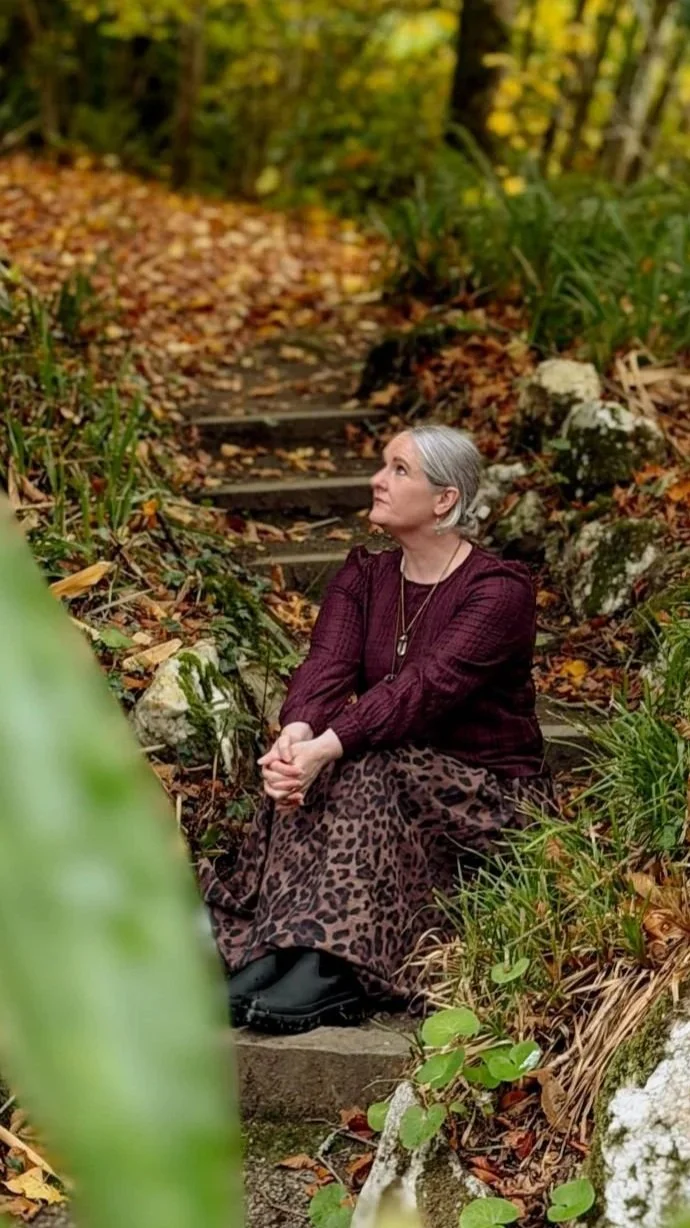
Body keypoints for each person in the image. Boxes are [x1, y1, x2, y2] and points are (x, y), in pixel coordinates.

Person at [199, 424, 551, 1034]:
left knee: (361, 758)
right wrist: (296, 734)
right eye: (384, 465)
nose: (377, 480)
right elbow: (326, 664)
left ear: (444, 499)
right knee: (330, 757)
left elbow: (424, 689)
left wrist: (328, 746)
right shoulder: (365, 575)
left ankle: (336, 966)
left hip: (487, 798)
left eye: (399, 470)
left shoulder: (498, 591)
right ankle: (281, 946)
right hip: (397, 779)